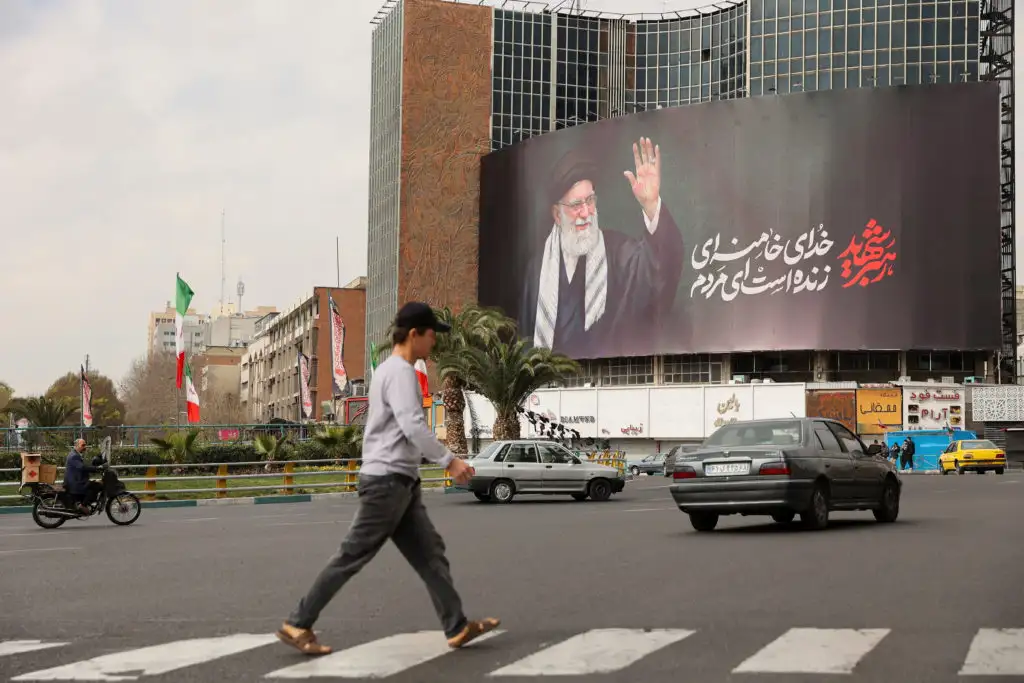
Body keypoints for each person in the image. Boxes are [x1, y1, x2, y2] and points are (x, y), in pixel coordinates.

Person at [276, 302, 500, 656]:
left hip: (401, 483)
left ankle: (456, 626)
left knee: (431, 554)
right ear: (414, 334)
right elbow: (413, 424)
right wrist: (450, 461)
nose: (434, 344)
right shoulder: (400, 372)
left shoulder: (391, 371)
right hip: (386, 483)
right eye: (430, 336)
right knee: (352, 555)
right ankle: (298, 621)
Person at [517, 138, 685, 359]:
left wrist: (652, 205)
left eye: (590, 201)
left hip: (608, 381)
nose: (586, 212)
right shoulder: (538, 270)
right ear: (557, 215)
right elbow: (526, 344)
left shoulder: (619, 252)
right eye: (577, 205)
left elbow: (659, 268)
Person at [64, 439, 102, 514]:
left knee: (93, 484)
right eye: (83, 445)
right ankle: (83, 505)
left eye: (85, 445)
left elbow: (83, 466)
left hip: (76, 480)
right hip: (75, 483)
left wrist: (94, 467)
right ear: (76, 446)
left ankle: (86, 503)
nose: (85, 447)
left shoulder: (75, 454)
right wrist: (97, 469)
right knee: (96, 486)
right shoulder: (74, 456)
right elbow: (82, 467)